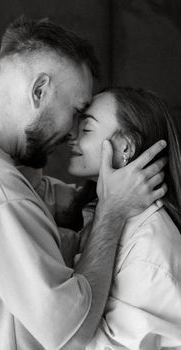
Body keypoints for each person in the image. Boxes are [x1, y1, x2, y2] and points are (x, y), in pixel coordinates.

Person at [0, 15, 167, 350]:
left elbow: (47, 197)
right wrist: (112, 211)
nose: (72, 132)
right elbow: (73, 334)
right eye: (77, 111)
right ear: (39, 91)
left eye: (86, 123)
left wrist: (111, 189)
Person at [62, 87, 181, 349]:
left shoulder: (149, 255)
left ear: (125, 146)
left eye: (87, 129)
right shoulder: (93, 209)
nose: (70, 135)